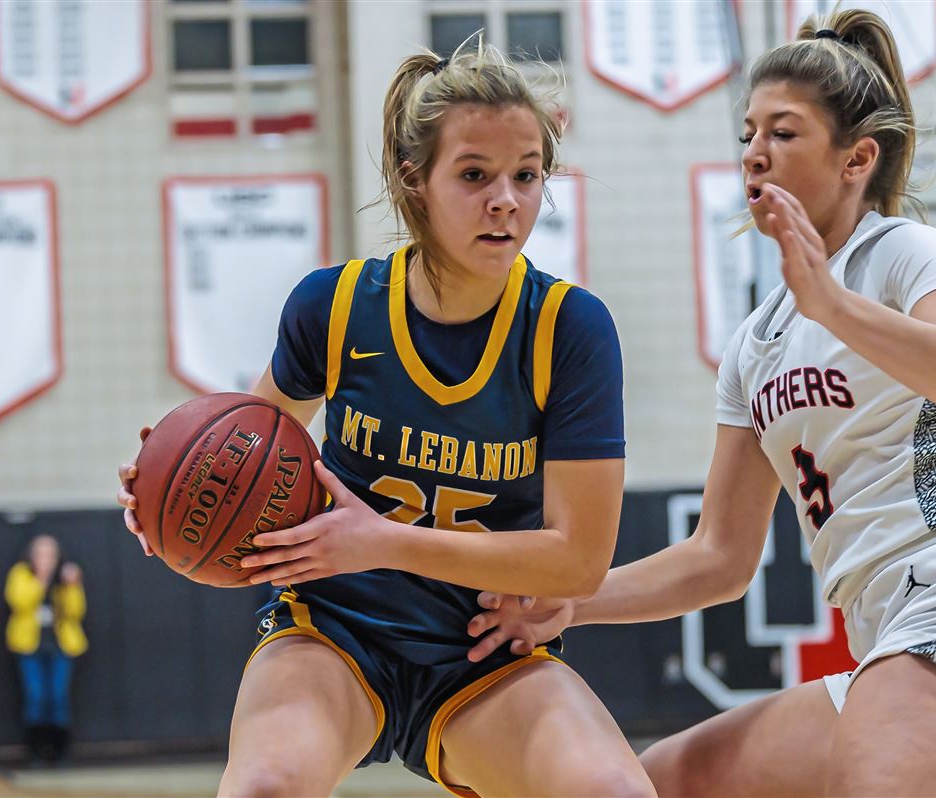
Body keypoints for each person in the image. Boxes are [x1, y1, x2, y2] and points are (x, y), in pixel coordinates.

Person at [466, 11, 936, 797]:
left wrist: (834, 304)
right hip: (888, 635)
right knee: (662, 784)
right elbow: (719, 557)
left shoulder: (899, 254)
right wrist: (570, 605)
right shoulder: (756, 343)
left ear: (857, 157)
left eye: (784, 133)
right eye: (749, 132)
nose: (755, 152)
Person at [118, 39, 655, 798]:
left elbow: (579, 563)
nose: (507, 198)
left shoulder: (571, 329)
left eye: (527, 175)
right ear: (416, 178)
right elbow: (244, 449)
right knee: (263, 786)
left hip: (483, 650)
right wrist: (167, 487)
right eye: (475, 174)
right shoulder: (333, 305)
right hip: (333, 629)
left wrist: (383, 541)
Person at [5, 534, 87, 767]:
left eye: (50, 553)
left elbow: (75, 611)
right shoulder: (21, 574)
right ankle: (36, 753)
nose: (46, 558)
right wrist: (41, 578)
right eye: (40, 553)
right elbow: (19, 602)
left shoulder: (65, 577)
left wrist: (72, 586)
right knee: (36, 696)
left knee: (58, 697)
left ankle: (59, 752)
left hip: (60, 646)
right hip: (29, 646)